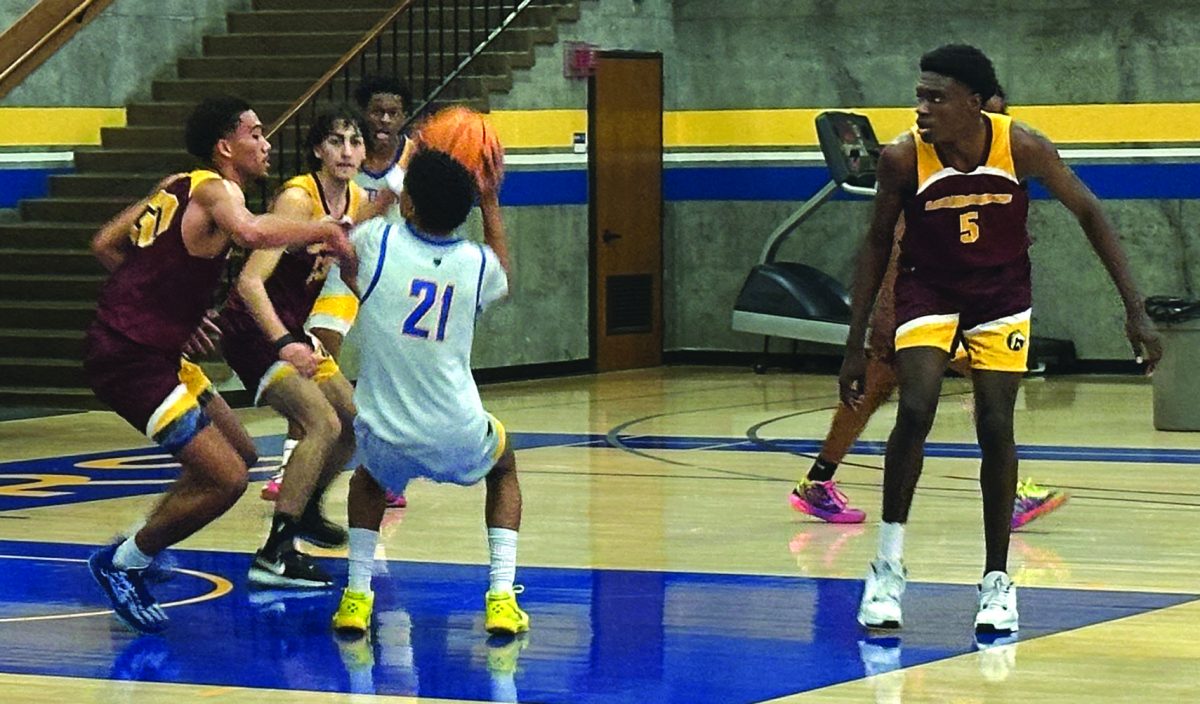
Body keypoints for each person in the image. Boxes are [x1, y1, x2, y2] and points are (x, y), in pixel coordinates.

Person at [841, 45, 1161, 634]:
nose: (922, 107)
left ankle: (997, 581)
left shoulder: (1022, 144)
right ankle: (886, 567)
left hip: (1000, 294)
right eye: (919, 95)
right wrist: (855, 340)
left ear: (972, 103)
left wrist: (1134, 310)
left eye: (936, 97)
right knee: (915, 406)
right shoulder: (901, 157)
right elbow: (876, 243)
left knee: (996, 423)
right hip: (927, 290)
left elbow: (1089, 211)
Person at [83, 95, 352, 633]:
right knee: (227, 479)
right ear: (226, 146)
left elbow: (106, 244)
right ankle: (123, 563)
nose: (266, 142)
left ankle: (146, 538)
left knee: (242, 452)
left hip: (155, 347)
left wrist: (169, 307)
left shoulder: (176, 183)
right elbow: (252, 234)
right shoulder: (214, 187)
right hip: (130, 358)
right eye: (255, 133)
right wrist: (321, 229)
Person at [791, 88, 1068, 531]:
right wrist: (885, 317)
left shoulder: (1001, 155)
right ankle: (1007, 493)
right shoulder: (921, 163)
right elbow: (894, 245)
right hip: (920, 303)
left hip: (962, 301)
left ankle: (818, 480)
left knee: (884, 386)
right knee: (964, 382)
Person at [319, 148, 527, 639]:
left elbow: (343, 240)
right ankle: (500, 596)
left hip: (386, 429)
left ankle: (356, 597)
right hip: (456, 427)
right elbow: (503, 272)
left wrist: (388, 190)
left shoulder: (379, 242)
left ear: (407, 205)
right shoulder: (476, 265)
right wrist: (491, 202)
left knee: (367, 482)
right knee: (504, 466)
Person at [211, 104, 370, 587]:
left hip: (291, 330)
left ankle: (304, 510)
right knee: (319, 422)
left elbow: (352, 276)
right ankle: (275, 554)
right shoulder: (299, 200)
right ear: (317, 150)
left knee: (355, 424)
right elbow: (249, 282)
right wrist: (283, 342)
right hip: (255, 330)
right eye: (336, 141)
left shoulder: (358, 200)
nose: (346, 151)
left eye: (354, 141)